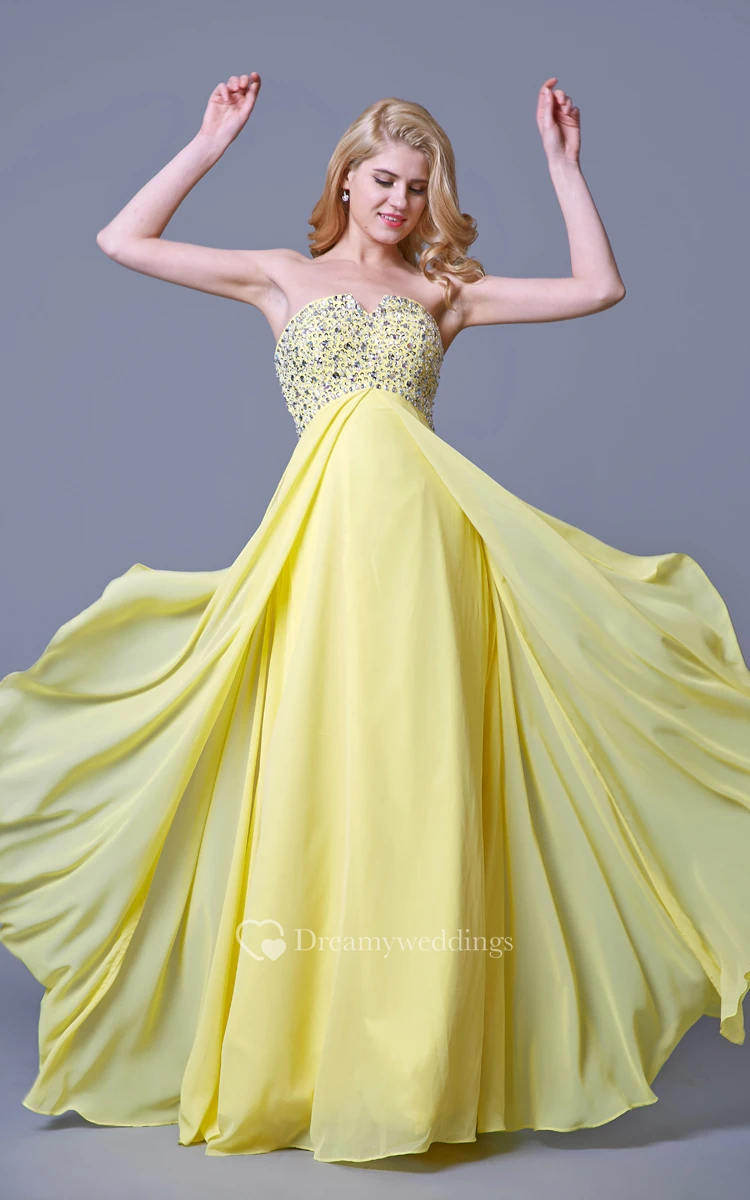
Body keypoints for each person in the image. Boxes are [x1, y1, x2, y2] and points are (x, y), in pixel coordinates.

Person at [0, 71, 748, 1168]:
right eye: (385, 179)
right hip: (317, 553)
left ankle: (412, 1071)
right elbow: (123, 239)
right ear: (346, 180)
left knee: (415, 780)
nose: (401, 201)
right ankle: (306, 1057)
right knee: (318, 777)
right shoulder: (280, 276)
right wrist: (208, 142)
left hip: (428, 558)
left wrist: (563, 168)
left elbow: (599, 287)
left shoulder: (445, 293)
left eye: (420, 186)